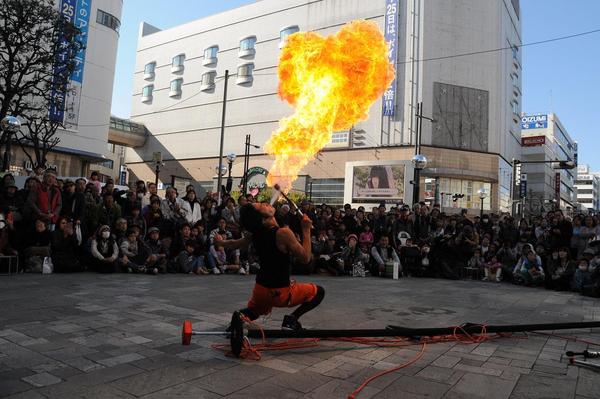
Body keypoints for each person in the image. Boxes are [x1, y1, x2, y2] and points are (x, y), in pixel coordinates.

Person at [218, 202, 325, 331]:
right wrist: (306, 230)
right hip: (280, 292)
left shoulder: (255, 233)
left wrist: (219, 242)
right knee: (318, 292)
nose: (264, 203)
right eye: (260, 205)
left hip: (260, 290)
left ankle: (240, 317)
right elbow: (305, 258)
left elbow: (234, 243)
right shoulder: (283, 233)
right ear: (262, 218)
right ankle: (292, 319)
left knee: (255, 311)